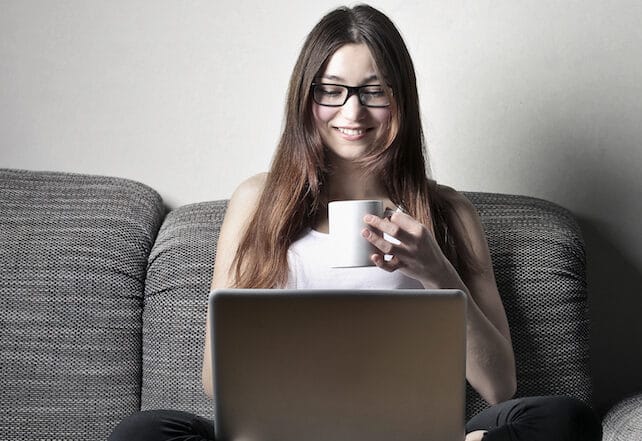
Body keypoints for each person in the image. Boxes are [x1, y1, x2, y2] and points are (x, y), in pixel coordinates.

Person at [109, 4, 602, 441]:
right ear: (307, 99)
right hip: (281, 433)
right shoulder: (257, 201)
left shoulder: (449, 213)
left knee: (564, 420)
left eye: (373, 92)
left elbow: (500, 388)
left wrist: (437, 273)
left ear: (400, 100)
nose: (353, 111)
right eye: (332, 91)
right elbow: (216, 382)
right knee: (143, 431)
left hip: (410, 433)